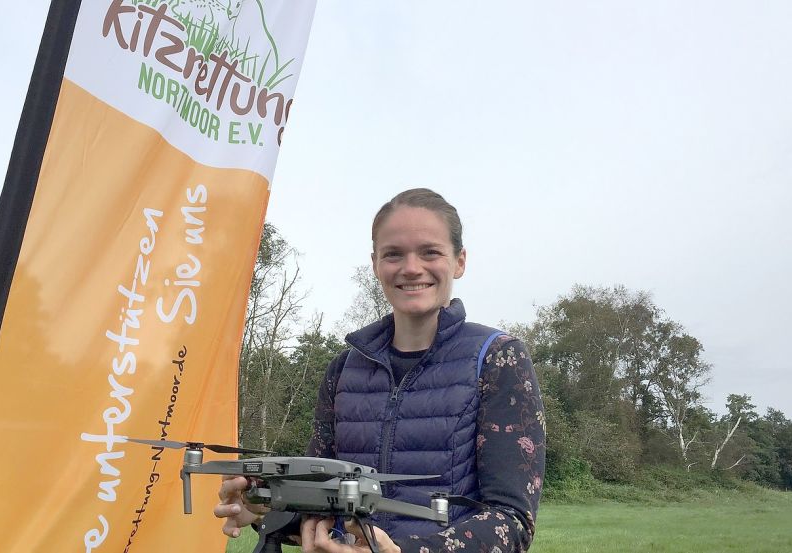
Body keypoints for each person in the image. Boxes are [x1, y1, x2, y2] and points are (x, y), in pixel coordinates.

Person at [215, 189, 546, 552]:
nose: (411, 267)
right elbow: (322, 503)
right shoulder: (343, 370)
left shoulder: (497, 358)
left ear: (460, 261)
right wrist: (264, 507)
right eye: (394, 254)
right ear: (376, 264)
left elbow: (511, 521)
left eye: (430, 252)